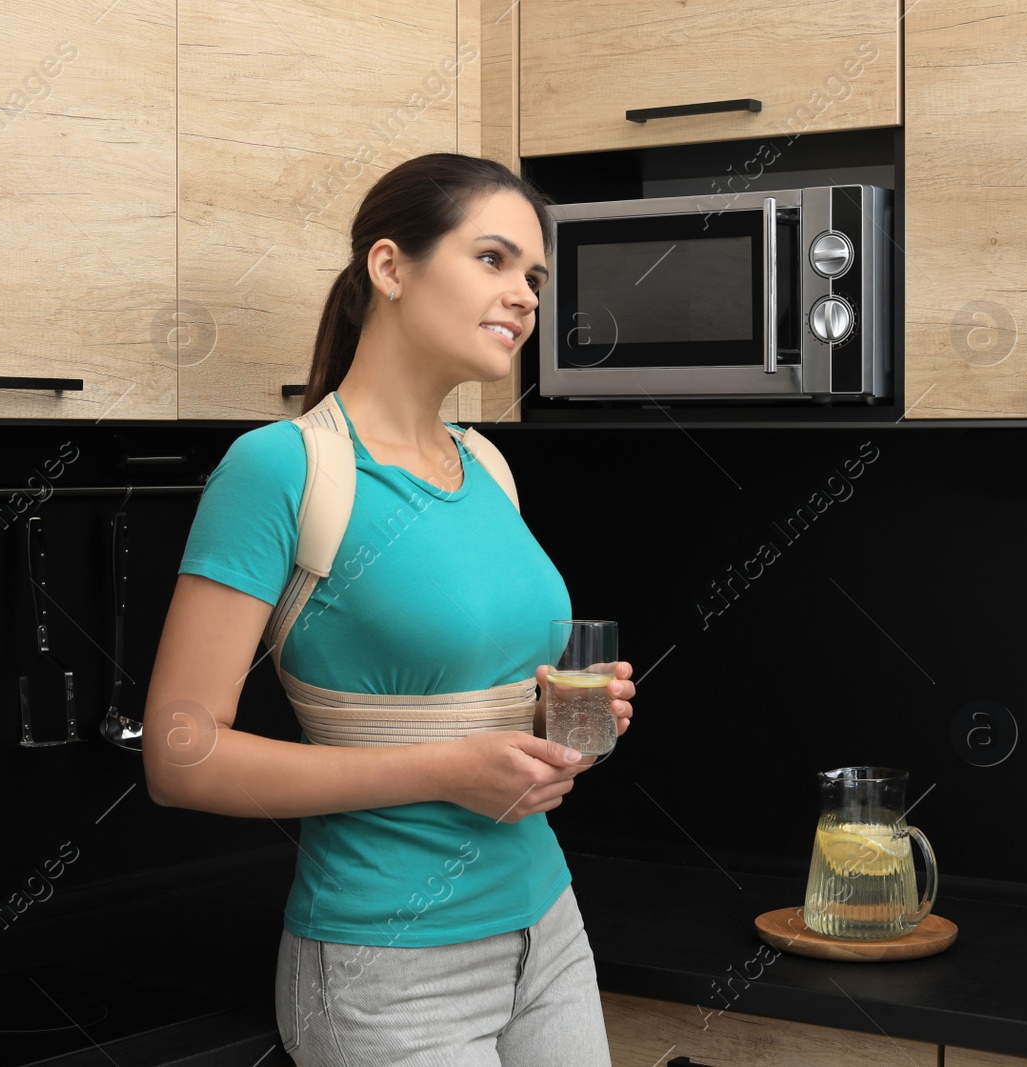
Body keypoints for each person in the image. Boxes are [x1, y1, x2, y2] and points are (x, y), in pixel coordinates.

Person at [142, 152, 635, 1066]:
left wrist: (556, 720)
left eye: (533, 275)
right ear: (390, 266)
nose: (524, 295)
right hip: (387, 963)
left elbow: (462, 702)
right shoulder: (281, 469)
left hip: (546, 925)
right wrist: (449, 769)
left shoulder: (488, 466)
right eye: (492, 259)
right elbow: (181, 756)